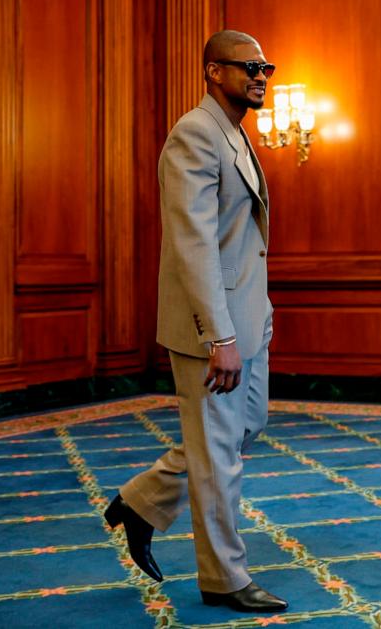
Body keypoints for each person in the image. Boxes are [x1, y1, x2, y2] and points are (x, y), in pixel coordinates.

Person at [103, 30, 286, 613]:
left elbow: (243, 239)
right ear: (212, 71)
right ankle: (225, 578)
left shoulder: (234, 134)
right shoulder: (194, 134)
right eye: (249, 66)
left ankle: (140, 501)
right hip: (215, 330)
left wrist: (259, 319)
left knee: (239, 430)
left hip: (249, 319)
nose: (261, 76)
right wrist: (221, 337)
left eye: (267, 68)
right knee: (219, 456)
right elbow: (193, 244)